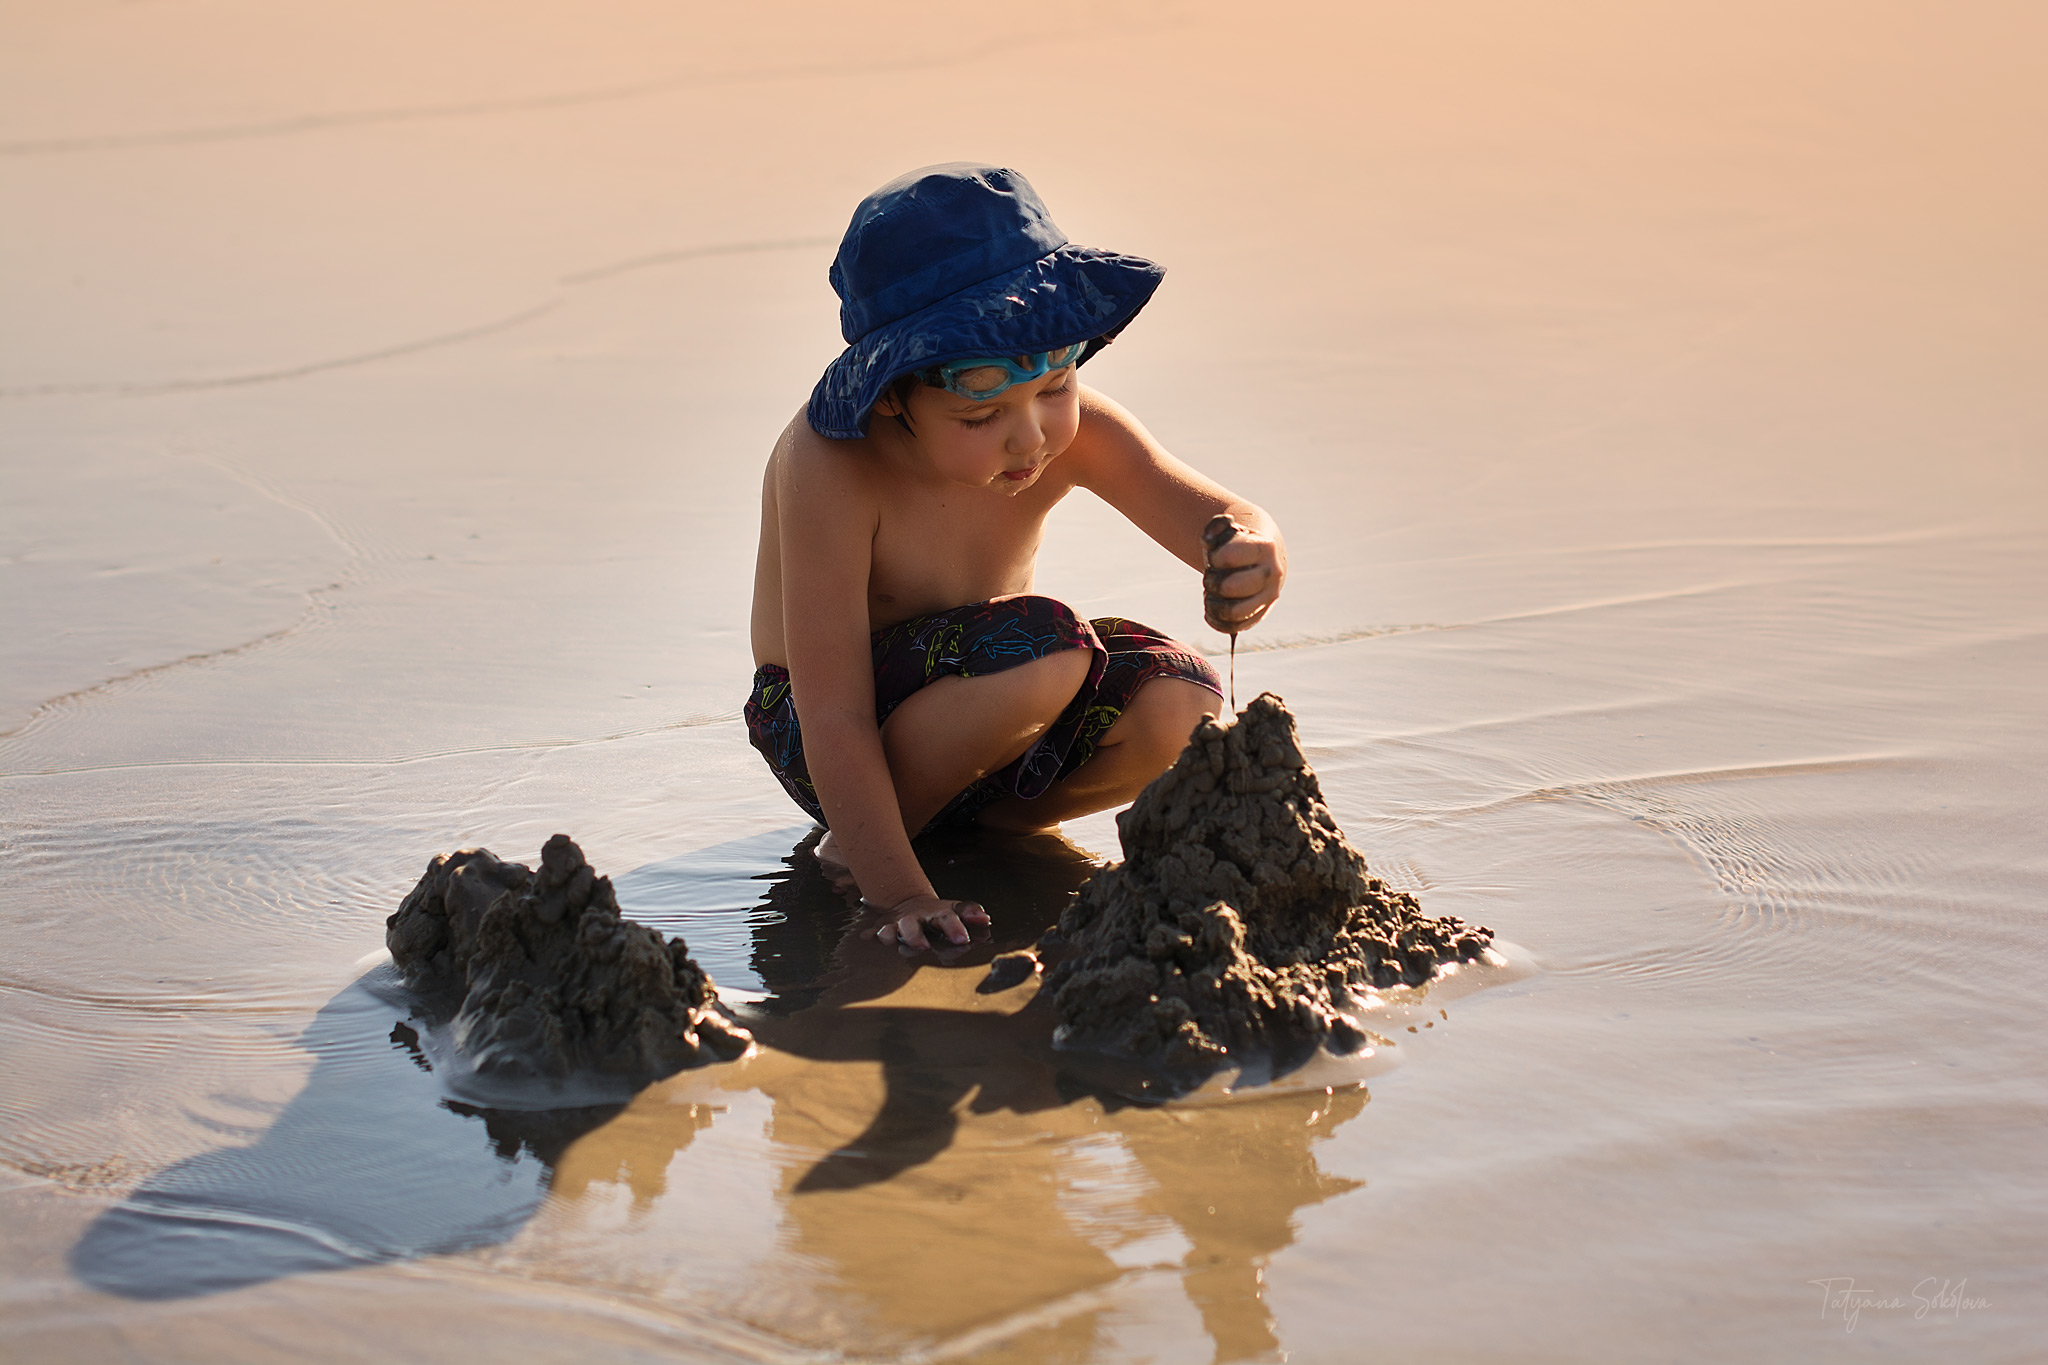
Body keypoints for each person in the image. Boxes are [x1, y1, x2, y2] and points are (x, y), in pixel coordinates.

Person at [748, 163, 1286, 952]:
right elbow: (833, 710)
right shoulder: (832, 466)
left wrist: (1251, 548)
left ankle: (975, 824)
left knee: (1185, 700)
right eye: (981, 413)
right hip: (824, 730)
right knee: (1048, 648)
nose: (1030, 435)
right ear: (894, 394)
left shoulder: (1067, 433)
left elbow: (1215, 515)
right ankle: (864, 844)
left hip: (992, 717)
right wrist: (894, 891)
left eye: (1056, 385)